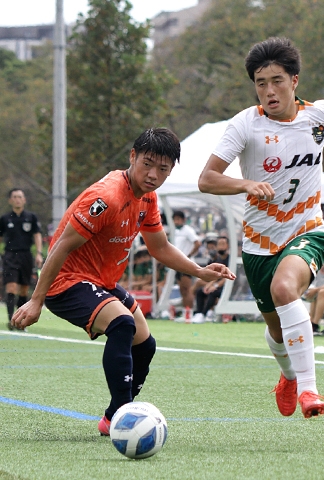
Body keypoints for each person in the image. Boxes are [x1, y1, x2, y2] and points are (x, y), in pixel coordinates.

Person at [10, 128, 235, 436]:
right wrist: (37, 300)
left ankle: (112, 417)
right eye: (147, 163)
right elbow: (61, 244)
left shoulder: (148, 198)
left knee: (145, 344)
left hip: (101, 282)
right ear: (132, 156)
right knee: (122, 324)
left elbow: (160, 248)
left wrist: (200, 271)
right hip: (66, 281)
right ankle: (123, 417)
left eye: (163, 169)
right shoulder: (107, 197)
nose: (153, 174)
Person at [198, 37, 324, 418]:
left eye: (276, 80)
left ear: (294, 81)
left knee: (285, 288)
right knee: (276, 331)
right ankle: (289, 376)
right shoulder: (245, 124)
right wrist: (244, 184)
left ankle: (309, 390)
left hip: (307, 229)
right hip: (259, 245)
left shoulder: (318, 113)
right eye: (260, 83)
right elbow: (206, 179)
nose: (269, 90)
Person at [0, 188, 44, 331]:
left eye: (20, 196)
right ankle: (11, 320)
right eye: (14, 197)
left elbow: (37, 235)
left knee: (24, 289)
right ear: (10, 200)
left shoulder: (31, 217)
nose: (17, 199)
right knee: (11, 286)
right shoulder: (5, 219)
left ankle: (21, 322)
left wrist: (38, 253)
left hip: (26, 256)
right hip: (10, 256)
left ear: (24, 200)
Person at [171, 210, 201, 321]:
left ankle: (190, 314)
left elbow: (197, 243)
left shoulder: (188, 231)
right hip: (177, 264)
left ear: (183, 220)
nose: (176, 222)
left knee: (187, 289)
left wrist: (189, 256)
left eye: (178, 219)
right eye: (175, 219)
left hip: (186, 264)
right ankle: (185, 313)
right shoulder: (175, 232)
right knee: (182, 289)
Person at [193, 236, 230, 323]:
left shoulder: (230, 259)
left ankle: (204, 314)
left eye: (223, 244)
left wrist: (215, 286)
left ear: (228, 246)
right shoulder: (217, 260)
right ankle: (199, 313)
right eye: (219, 244)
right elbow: (216, 276)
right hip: (218, 285)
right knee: (200, 291)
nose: (221, 247)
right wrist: (209, 285)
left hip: (228, 287)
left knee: (213, 292)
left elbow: (227, 277)